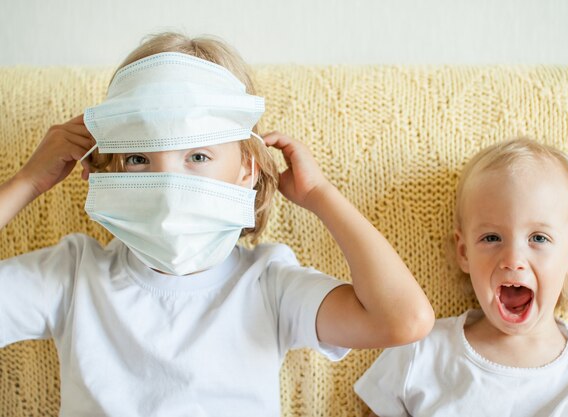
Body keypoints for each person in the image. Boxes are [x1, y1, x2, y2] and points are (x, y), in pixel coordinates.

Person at [0, 33, 434, 415]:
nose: (167, 184)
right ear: (102, 173)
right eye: (138, 158)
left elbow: (404, 320)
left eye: (198, 156)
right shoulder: (73, 275)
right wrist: (27, 182)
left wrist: (321, 198)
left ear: (247, 168)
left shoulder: (268, 283)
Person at [354, 138, 568, 416]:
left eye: (538, 238)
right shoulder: (421, 353)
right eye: (492, 237)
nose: (513, 260)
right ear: (464, 252)